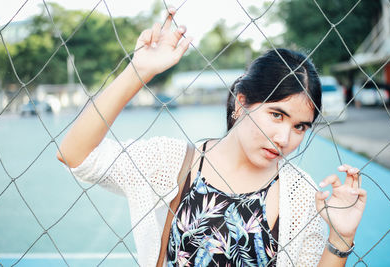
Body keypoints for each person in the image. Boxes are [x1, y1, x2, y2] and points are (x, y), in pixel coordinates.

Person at [57, 7, 366, 267]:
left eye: (300, 126)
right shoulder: (170, 162)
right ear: (242, 103)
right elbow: (76, 155)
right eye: (277, 114)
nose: (284, 137)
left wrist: (341, 237)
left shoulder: (301, 193)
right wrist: (138, 71)